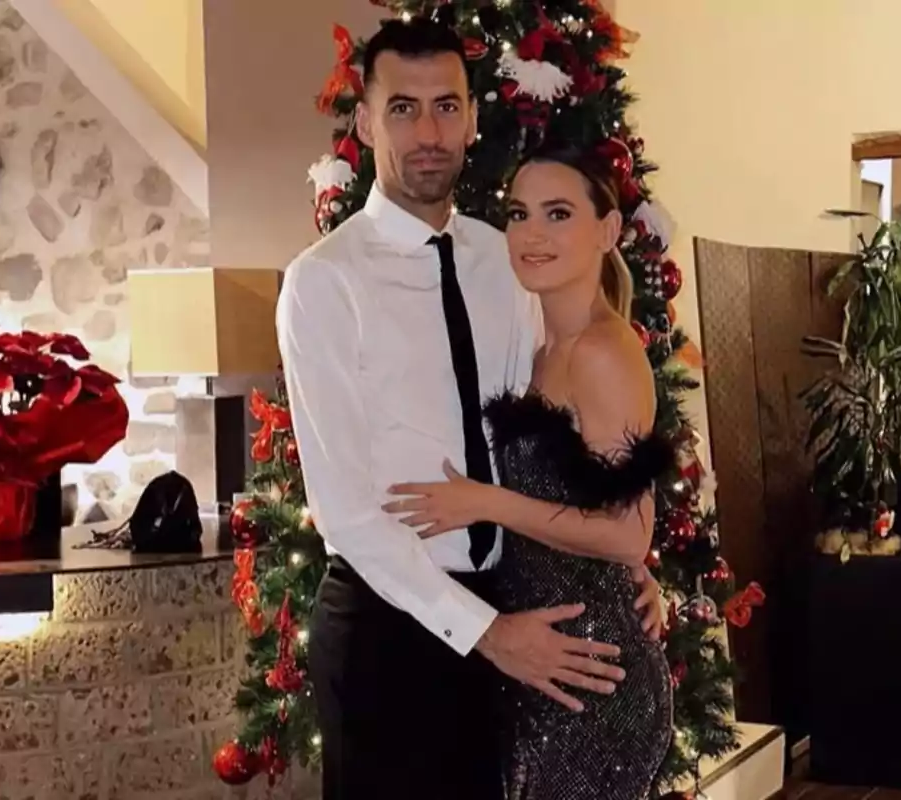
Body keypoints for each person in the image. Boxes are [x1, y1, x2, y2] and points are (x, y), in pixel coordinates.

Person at [276, 17, 663, 800]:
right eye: (403, 108)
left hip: (515, 610)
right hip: (393, 628)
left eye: (446, 106)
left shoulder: (506, 258)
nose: (428, 132)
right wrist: (485, 634)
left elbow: (564, 433)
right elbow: (345, 512)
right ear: (365, 122)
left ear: (473, 117)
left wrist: (625, 559)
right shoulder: (324, 282)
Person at [384, 141, 674, 799]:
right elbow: (607, 513)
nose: (532, 233)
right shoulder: (545, 347)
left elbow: (629, 534)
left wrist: (486, 502)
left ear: (608, 230)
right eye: (519, 214)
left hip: (596, 682)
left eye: (558, 213)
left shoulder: (602, 352)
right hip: (552, 669)